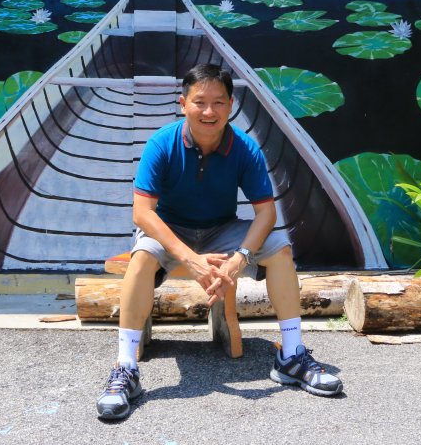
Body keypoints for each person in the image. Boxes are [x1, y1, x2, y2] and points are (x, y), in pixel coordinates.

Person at [96, 63, 343, 420]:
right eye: (200, 102)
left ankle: (291, 355)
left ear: (231, 106)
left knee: (280, 251)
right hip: (170, 228)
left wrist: (242, 256)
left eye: (218, 102)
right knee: (143, 256)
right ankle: (125, 369)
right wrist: (189, 257)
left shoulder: (245, 148)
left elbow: (266, 215)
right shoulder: (161, 143)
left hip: (222, 228)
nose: (209, 111)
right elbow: (142, 214)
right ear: (183, 104)